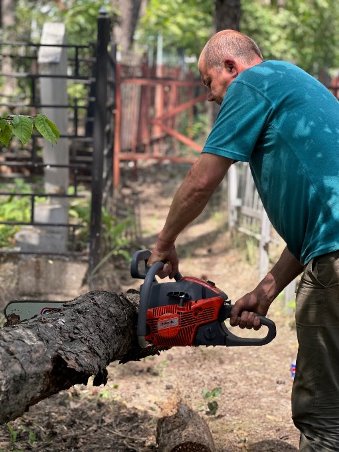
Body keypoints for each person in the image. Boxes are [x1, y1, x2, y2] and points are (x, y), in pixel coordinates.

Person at [147, 29, 339, 451]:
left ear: (231, 68)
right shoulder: (292, 81)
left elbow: (202, 181)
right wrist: (266, 289)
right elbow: (321, 229)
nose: (211, 97)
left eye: (209, 83)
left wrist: (164, 244)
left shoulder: (251, 84)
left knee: (326, 418)